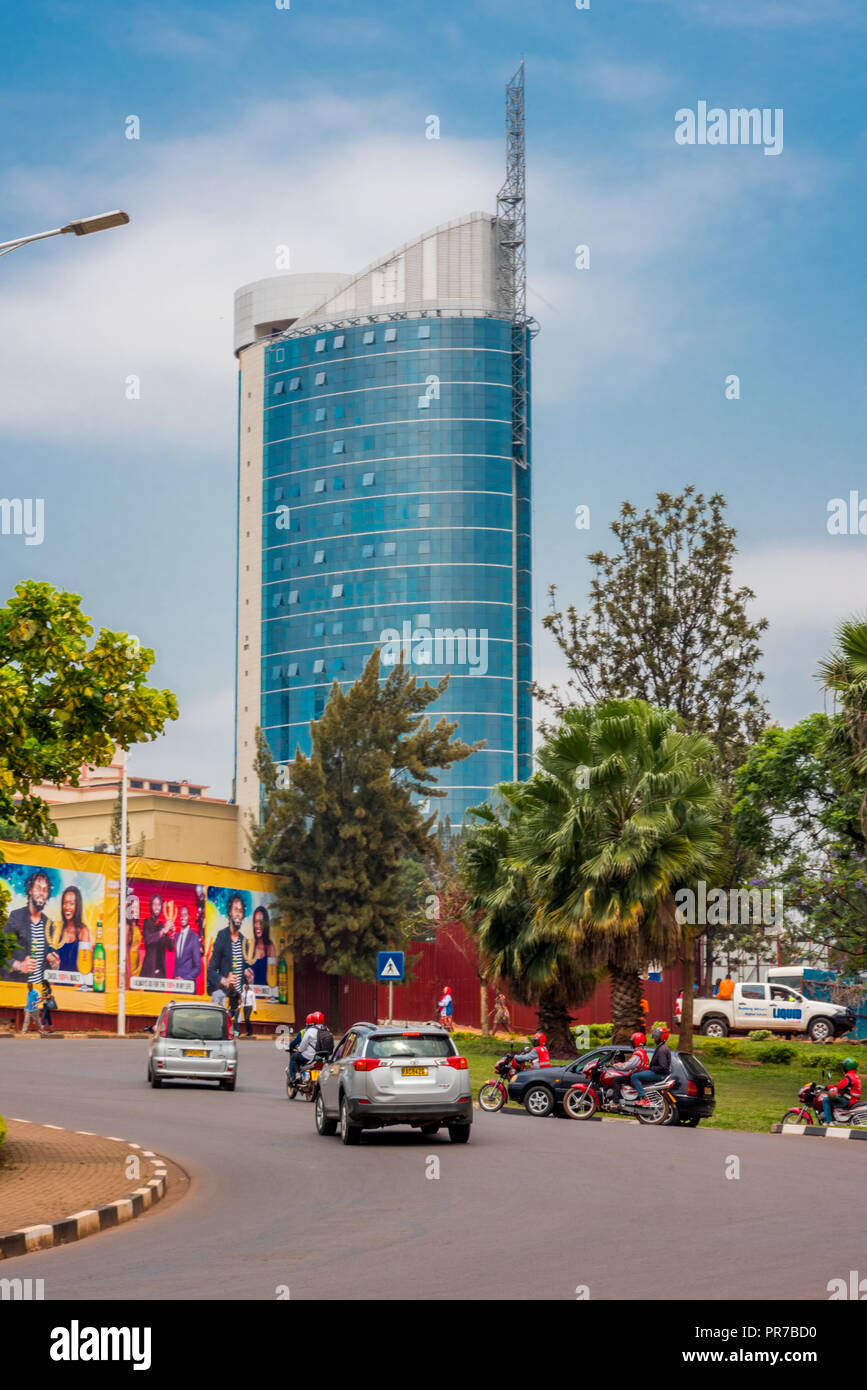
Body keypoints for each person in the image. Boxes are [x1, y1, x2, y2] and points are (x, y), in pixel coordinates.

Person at [2, 869, 60, 984]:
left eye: (45, 890)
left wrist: (55, 965)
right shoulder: (16, 917)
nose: (41, 894)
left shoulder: (49, 925)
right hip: (18, 989)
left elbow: (50, 965)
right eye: (38, 888)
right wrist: (19, 965)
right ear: (29, 891)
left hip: (39, 993)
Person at [207, 892, 247, 1010]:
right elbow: (210, 972)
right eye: (235, 909)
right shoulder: (222, 936)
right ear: (230, 912)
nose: (238, 914)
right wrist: (224, 980)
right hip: (223, 1000)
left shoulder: (244, 941)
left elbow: (243, 976)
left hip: (239, 1003)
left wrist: (248, 978)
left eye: (241, 911)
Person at [630, 1025, 672, 1101]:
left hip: (659, 1074)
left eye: (657, 1037)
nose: (655, 1039)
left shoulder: (662, 1050)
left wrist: (651, 1068)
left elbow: (663, 1067)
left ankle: (643, 1097)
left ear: (662, 1038)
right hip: (660, 1073)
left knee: (634, 1076)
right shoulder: (662, 1047)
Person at [608, 1032, 650, 1107]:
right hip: (639, 1073)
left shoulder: (638, 1054)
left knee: (616, 1080)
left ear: (637, 1042)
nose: (632, 1044)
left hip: (636, 1075)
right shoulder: (642, 1052)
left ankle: (616, 1102)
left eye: (632, 1042)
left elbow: (626, 1066)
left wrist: (613, 1065)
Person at [288, 1011, 331, 1082]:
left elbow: (302, 1047)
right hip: (323, 1058)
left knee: (294, 1057)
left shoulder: (309, 1031)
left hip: (309, 1057)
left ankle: (298, 1075)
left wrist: (299, 1050)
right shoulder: (327, 1030)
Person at [56, 886, 91, 972]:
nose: (67, 907)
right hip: (56, 982)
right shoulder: (59, 928)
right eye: (65, 903)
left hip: (76, 983)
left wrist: (76, 985)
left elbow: (84, 967)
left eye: (71, 904)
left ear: (77, 906)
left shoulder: (83, 931)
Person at [140, 894, 172, 978]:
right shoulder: (147, 922)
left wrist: (172, 934)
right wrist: (163, 931)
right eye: (154, 904)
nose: (157, 907)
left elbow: (170, 947)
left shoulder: (162, 925)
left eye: (159, 905)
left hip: (160, 972)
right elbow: (148, 940)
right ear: (151, 906)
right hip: (149, 971)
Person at [822, 1058, 861, 1124]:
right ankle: (835, 1118)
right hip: (854, 1099)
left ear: (847, 1067)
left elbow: (839, 1087)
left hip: (848, 1100)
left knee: (826, 1100)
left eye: (844, 1066)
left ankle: (828, 1121)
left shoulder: (849, 1077)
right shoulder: (855, 1076)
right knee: (834, 1098)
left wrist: (827, 1087)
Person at [172, 904, 202, 984]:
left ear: (189, 917)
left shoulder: (194, 937)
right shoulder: (177, 936)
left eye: (185, 915)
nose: (182, 917)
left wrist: (184, 979)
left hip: (187, 985)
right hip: (176, 985)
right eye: (181, 915)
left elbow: (198, 967)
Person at [248, 905, 276, 986]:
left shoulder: (270, 947)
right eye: (256, 922)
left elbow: (273, 976)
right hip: (251, 995)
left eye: (261, 922)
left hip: (266, 995)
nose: (258, 926)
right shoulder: (250, 945)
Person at [240, 972, 257, 1038]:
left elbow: (254, 1001)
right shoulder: (243, 993)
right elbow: (242, 1001)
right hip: (245, 1007)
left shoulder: (251, 993)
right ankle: (248, 1032)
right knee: (245, 1020)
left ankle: (250, 1031)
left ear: (249, 986)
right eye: (245, 986)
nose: (246, 987)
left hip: (249, 1007)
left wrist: (255, 1009)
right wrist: (239, 1007)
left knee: (247, 1018)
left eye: (247, 986)